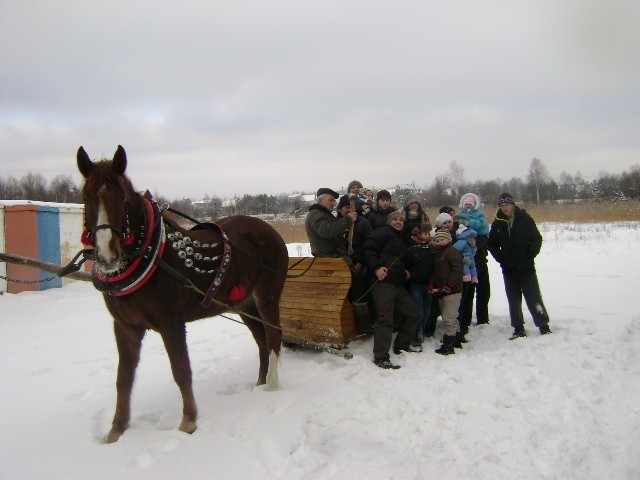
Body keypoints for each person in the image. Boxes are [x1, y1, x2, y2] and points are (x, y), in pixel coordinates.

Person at [487, 193, 552, 339]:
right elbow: (491, 244)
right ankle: (518, 327)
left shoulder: (525, 219)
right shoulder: (498, 223)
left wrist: (529, 255)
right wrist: (501, 259)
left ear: (513, 205)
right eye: (502, 206)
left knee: (534, 297)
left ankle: (543, 325)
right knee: (514, 300)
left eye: (507, 205)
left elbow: (536, 239)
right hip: (509, 269)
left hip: (526, 267)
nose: (505, 208)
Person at [362, 210, 420, 369]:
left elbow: (401, 259)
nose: (398, 222)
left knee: (412, 314)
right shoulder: (381, 232)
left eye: (401, 219)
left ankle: (401, 346)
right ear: (389, 221)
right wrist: (376, 268)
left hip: (398, 284)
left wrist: (405, 270)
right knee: (384, 318)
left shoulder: (403, 238)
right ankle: (381, 356)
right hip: (382, 284)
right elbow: (368, 249)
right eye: (395, 219)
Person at [336, 194, 374, 333]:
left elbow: (369, 245)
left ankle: (363, 325)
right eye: (346, 208)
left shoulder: (363, 223)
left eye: (350, 207)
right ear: (340, 210)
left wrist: (360, 262)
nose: (349, 210)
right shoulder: (337, 224)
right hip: (340, 264)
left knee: (360, 292)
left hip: (359, 264)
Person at [428, 229, 464, 355]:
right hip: (441, 290)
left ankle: (448, 345)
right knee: (450, 315)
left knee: (449, 317)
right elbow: (435, 272)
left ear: (449, 240)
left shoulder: (452, 252)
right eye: (437, 240)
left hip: (453, 291)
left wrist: (450, 285)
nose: (440, 242)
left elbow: (457, 270)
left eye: (442, 240)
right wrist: (433, 284)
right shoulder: (438, 254)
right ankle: (457, 339)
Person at [457, 193, 491, 325]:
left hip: (480, 260)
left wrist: (477, 242)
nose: (468, 206)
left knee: (484, 292)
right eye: (466, 204)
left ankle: (483, 319)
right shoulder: (461, 215)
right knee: (468, 293)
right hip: (468, 262)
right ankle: (465, 320)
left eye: (470, 203)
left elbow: (484, 232)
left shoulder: (479, 216)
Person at [305, 188, 357, 261]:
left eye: (334, 200)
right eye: (330, 200)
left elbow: (333, 232)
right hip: (328, 261)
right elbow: (325, 231)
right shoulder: (315, 214)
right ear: (320, 200)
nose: (334, 203)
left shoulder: (325, 214)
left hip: (334, 258)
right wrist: (347, 219)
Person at [404, 223, 434, 346]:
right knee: (419, 312)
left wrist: (432, 281)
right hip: (415, 284)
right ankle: (417, 334)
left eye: (428, 234)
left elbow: (435, 268)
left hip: (428, 284)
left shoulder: (432, 249)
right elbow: (406, 265)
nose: (427, 236)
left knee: (427, 312)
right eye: (425, 233)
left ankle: (422, 329)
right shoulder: (411, 250)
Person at [453, 223, 478, 344]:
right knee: (460, 303)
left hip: (466, 272)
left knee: (462, 303)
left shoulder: (467, 242)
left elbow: (471, 261)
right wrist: (462, 259)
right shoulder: (467, 242)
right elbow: (454, 253)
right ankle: (459, 330)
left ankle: (461, 329)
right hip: (462, 272)